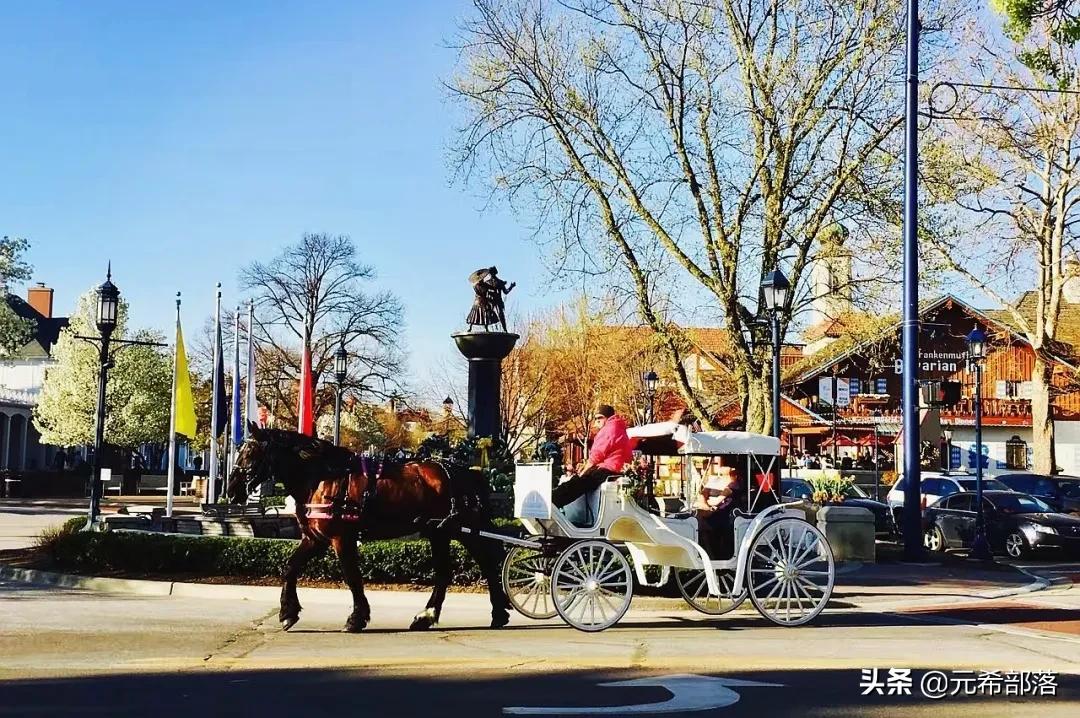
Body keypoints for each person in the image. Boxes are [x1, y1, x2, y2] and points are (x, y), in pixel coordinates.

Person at [552, 405, 632, 524]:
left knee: (578, 484)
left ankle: (552, 501)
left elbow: (597, 454)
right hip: (612, 468)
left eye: (599, 418)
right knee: (578, 482)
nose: (596, 422)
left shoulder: (610, 429)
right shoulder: (619, 428)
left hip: (607, 469)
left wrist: (584, 470)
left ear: (608, 417)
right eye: (595, 419)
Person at [692, 458, 739, 559]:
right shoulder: (715, 480)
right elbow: (703, 494)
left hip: (725, 513)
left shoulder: (733, 485)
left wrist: (709, 506)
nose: (721, 467)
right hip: (715, 510)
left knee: (702, 523)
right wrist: (706, 505)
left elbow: (717, 501)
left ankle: (712, 555)